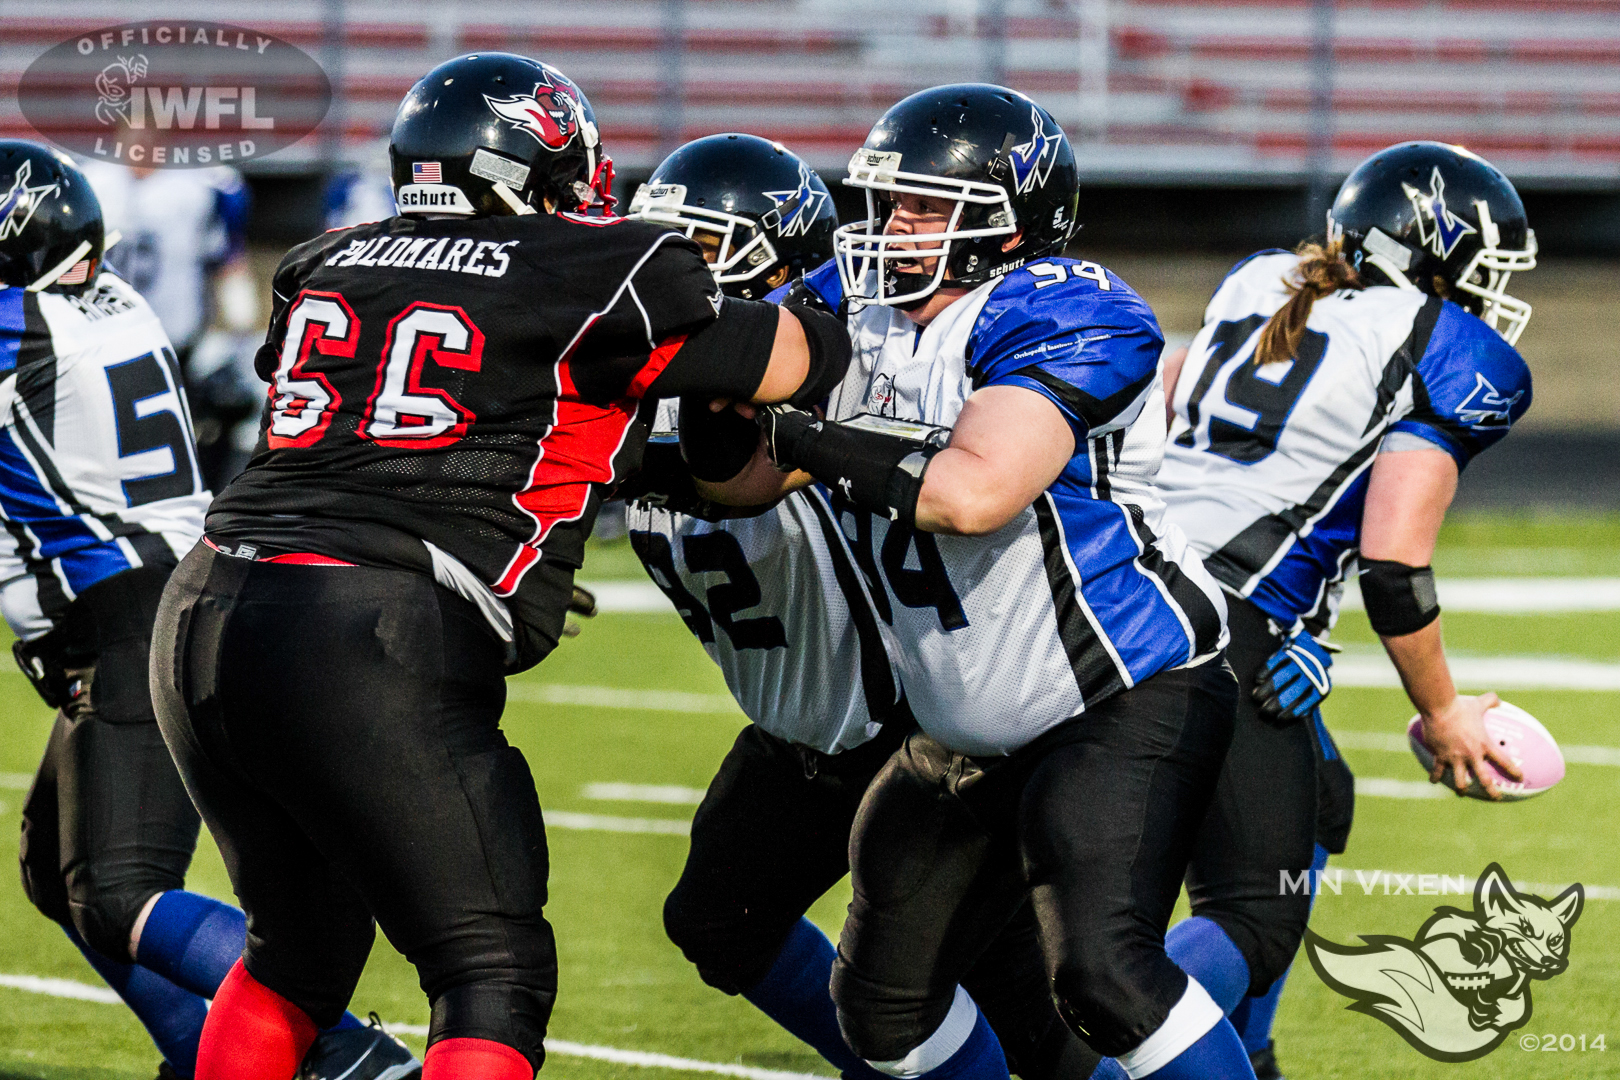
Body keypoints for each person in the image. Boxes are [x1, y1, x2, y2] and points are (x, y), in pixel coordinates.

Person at [147, 53, 853, 1080]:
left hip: (206, 604)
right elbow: (795, 363)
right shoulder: (596, 263)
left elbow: (413, 425)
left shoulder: (325, 259)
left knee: (295, 955)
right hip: (366, 624)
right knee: (491, 965)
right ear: (530, 163)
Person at [703, 85, 1251, 1079]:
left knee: (1104, 977)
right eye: (885, 202)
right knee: (879, 1009)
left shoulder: (1067, 305)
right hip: (962, 723)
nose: (893, 229)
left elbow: (974, 494)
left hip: (1117, 688)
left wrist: (799, 432)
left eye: (925, 207)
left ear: (1013, 220)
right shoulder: (846, 299)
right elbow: (739, 478)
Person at [622, 133, 1101, 1080]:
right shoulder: (642, 386)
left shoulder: (830, 361)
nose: (668, 280)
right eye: (659, 247)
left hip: (908, 725)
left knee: (1023, 1011)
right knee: (720, 920)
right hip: (801, 726)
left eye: (702, 253)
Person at [0, 142, 413, 1080]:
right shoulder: (117, 306)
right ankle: (205, 1055)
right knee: (57, 873)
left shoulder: (23, 328)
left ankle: (345, 1051)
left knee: (118, 889)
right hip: (167, 601)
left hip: (129, 617)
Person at [1151, 140, 1536, 1080]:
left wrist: (1297, 626)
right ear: (1430, 258)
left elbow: (1178, 434)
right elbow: (1394, 566)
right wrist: (1445, 714)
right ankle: (1115, 1030)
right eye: (1483, 271)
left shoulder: (1260, 283)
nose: (1492, 295)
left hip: (1136, 585)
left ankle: (1249, 1047)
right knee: (1252, 910)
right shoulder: (1441, 345)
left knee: (1320, 798)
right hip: (1224, 622)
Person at [79, 159, 259, 490]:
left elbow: (227, 260)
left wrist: (241, 336)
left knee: (182, 442)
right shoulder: (89, 181)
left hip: (175, 345)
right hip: (96, 340)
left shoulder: (204, 189)